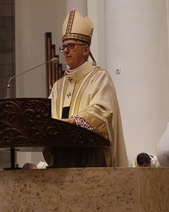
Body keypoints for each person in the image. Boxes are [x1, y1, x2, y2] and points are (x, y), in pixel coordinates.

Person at [48, 9, 127, 168]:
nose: (66, 51)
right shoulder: (58, 86)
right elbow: (46, 114)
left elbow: (102, 112)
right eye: (64, 47)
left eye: (71, 45)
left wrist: (73, 121)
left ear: (86, 50)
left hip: (90, 157)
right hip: (61, 156)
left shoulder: (99, 77)